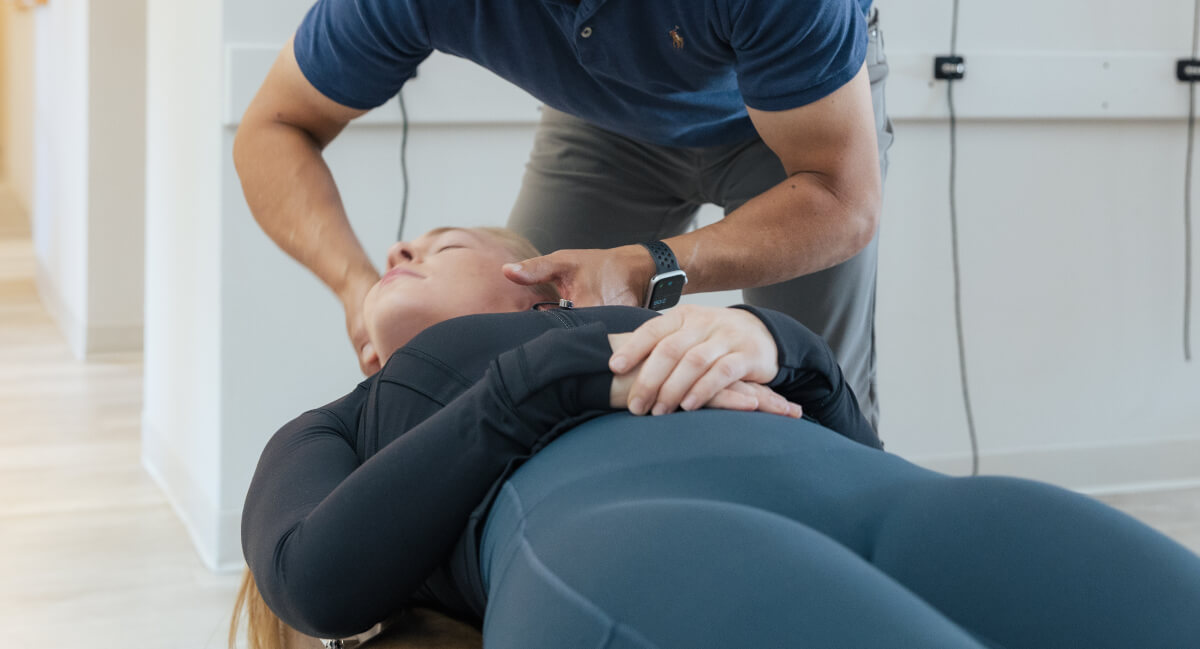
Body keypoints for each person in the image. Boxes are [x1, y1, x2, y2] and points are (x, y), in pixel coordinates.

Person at [235, 227, 1200, 649]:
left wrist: (774, 338)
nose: (396, 249)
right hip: (644, 549)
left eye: (441, 241)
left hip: (891, 502)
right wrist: (560, 374)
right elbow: (310, 577)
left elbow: (849, 437)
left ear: (541, 279)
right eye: (404, 250)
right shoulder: (345, 422)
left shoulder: (660, 323)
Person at [233, 0, 894, 431]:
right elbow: (273, 129)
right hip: (606, 123)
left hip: (800, 135)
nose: (404, 254)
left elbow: (842, 199)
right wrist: (355, 289)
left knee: (816, 404)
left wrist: (651, 266)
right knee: (512, 375)